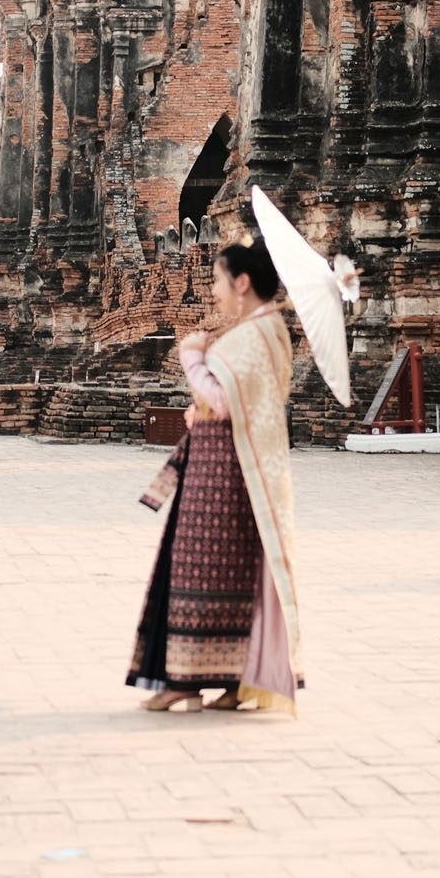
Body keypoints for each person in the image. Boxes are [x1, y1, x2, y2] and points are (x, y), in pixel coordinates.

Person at [128, 238, 304, 714]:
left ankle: (187, 679)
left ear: (242, 283)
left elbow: (223, 400)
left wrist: (193, 358)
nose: (212, 292)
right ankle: (231, 680)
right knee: (234, 571)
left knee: (198, 568)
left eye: (217, 281)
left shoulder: (254, 335)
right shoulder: (268, 330)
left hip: (223, 478)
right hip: (236, 472)